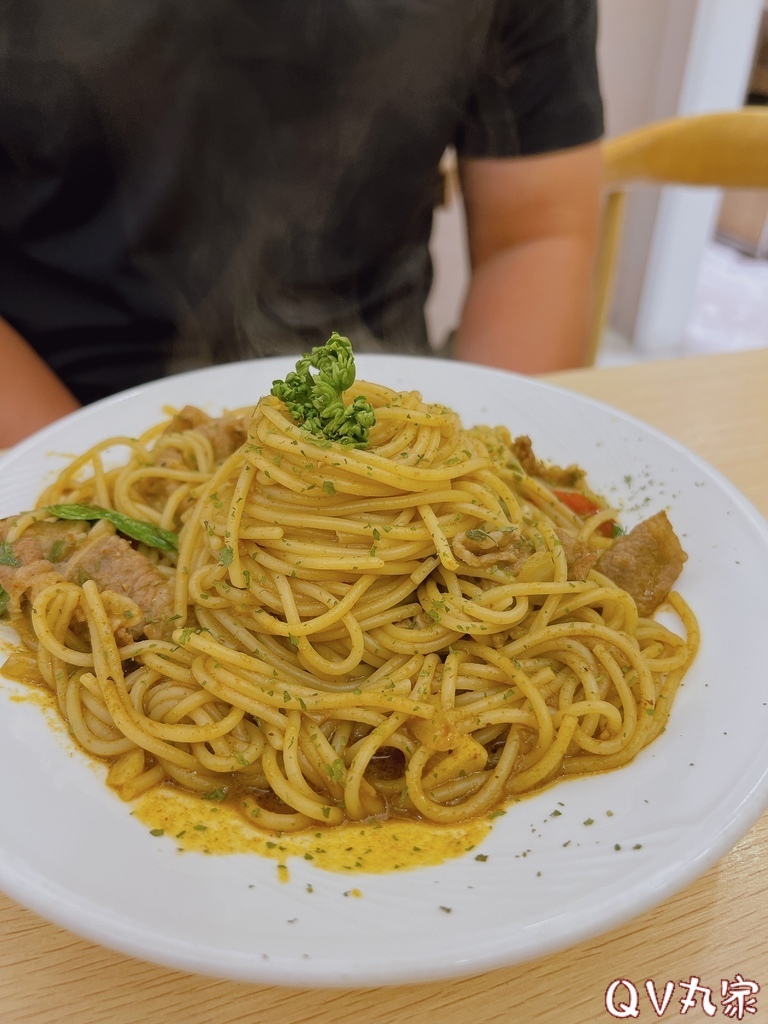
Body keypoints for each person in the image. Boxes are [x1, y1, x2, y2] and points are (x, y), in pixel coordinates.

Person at [0, 0, 604, 448]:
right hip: (46, 407)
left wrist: (490, 462)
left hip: (383, 396)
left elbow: (536, 233)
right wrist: (74, 477)